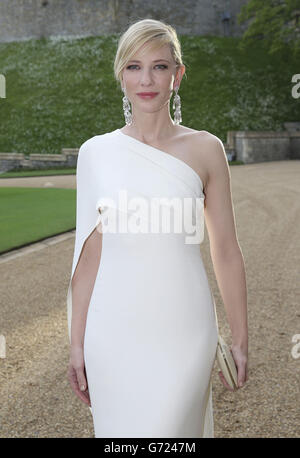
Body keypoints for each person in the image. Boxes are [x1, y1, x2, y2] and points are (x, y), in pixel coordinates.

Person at [66, 18, 248, 438]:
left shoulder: (207, 149)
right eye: (133, 67)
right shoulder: (95, 153)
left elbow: (225, 249)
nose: (146, 79)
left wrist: (240, 336)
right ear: (121, 75)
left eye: (159, 66)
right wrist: (77, 345)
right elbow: (88, 256)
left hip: (185, 328)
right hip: (112, 331)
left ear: (177, 75)